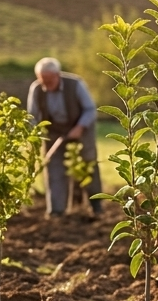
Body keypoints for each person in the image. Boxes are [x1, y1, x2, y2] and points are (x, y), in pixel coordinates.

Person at [27, 57, 102, 217]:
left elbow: (90, 109)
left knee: (88, 164)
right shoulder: (36, 89)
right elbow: (32, 115)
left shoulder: (75, 84)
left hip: (81, 128)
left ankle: (96, 207)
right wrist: (34, 136)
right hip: (54, 132)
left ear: (57, 75)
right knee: (54, 168)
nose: (46, 84)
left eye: (49, 80)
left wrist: (79, 127)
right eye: (42, 80)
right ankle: (56, 211)